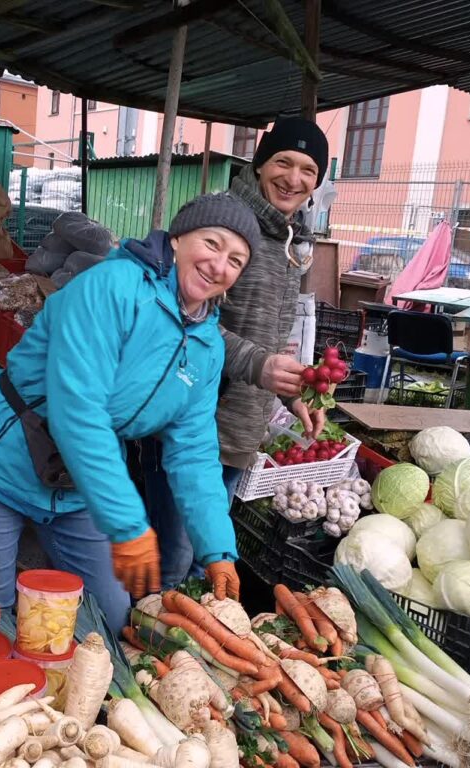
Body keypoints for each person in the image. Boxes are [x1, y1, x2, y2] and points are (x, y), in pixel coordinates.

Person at [0, 193, 262, 633]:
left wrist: (218, 551)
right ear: (177, 240)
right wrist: (128, 525)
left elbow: (194, 453)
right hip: (3, 456)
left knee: (108, 617)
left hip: (78, 481)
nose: (218, 265)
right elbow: (79, 410)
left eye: (236, 260)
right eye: (211, 243)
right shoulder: (113, 286)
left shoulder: (207, 347)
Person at [141, 117, 332, 589]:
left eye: (308, 170)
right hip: (191, 420)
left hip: (240, 426)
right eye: (283, 162)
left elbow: (261, 335)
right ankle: (139, 645)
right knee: (172, 562)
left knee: (197, 564)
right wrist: (259, 366)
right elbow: (179, 318)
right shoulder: (221, 220)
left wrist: (290, 389)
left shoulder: (289, 237)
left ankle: (173, 644)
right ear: (259, 162)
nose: (293, 178)